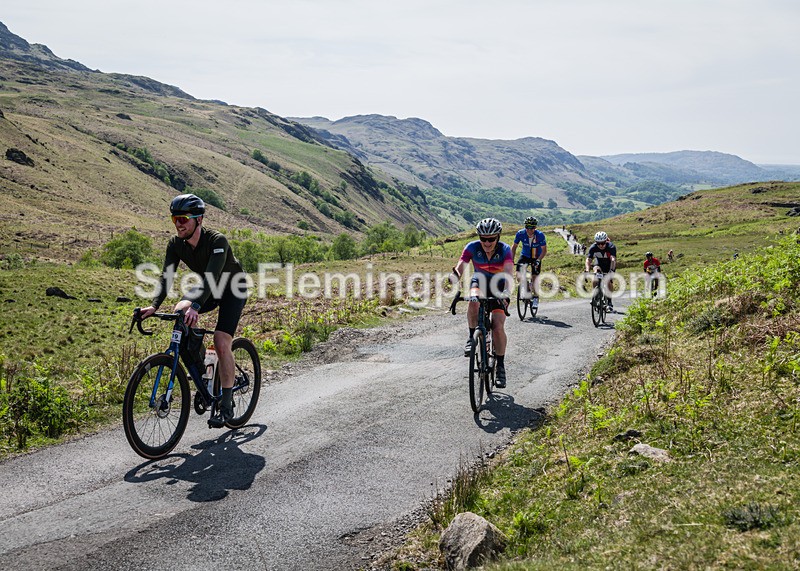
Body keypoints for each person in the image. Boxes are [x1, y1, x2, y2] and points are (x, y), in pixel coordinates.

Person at [138, 193, 247, 428]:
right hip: (209, 288)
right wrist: (154, 305)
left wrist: (196, 306)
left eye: (183, 218)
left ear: (198, 219)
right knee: (180, 310)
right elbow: (167, 276)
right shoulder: (176, 244)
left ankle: (226, 403)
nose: (178, 223)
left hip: (232, 289)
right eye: (174, 218)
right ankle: (203, 371)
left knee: (220, 341)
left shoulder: (217, 241)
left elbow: (212, 277)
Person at [452, 218, 514, 388]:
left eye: (491, 239)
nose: (487, 242)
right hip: (478, 282)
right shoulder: (472, 247)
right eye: (483, 238)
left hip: (499, 286)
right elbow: (461, 265)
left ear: (498, 237)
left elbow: (509, 273)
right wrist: (455, 276)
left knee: (498, 327)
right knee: (473, 301)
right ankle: (472, 337)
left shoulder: (505, 249)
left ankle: (500, 366)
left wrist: (506, 293)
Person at [510, 216, 547, 309]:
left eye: (532, 228)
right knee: (518, 275)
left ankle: (535, 298)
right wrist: (511, 260)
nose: (530, 230)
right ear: (525, 227)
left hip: (536, 257)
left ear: (535, 228)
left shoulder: (540, 235)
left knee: (535, 278)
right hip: (525, 256)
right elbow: (514, 247)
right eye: (528, 228)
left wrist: (538, 260)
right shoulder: (520, 234)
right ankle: (526, 288)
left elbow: (544, 250)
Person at [584, 231, 617, 310]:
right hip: (599, 263)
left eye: (602, 243)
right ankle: (595, 296)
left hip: (609, 264)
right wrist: (587, 270)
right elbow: (588, 260)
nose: (600, 245)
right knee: (595, 274)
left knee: (608, 280)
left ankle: (609, 302)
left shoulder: (611, 246)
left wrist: (611, 270)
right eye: (598, 243)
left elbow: (613, 259)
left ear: (606, 241)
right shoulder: (593, 247)